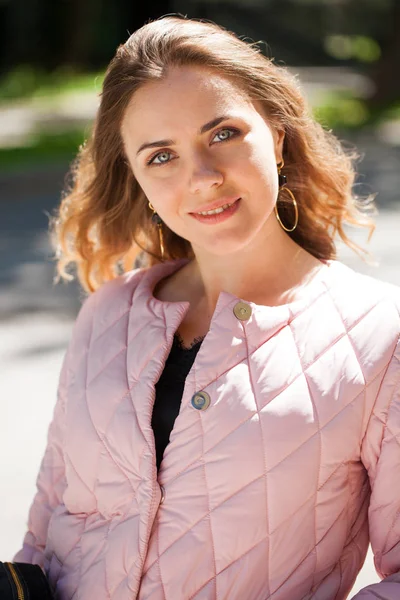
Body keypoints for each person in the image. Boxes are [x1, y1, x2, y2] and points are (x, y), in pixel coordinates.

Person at [14, 15, 400, 600]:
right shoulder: (108, 314)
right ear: (138, 177)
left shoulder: (380, 335)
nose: (201, 178)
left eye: (222, 134)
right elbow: (45, 535)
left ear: (276, 129)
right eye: (161, 156)